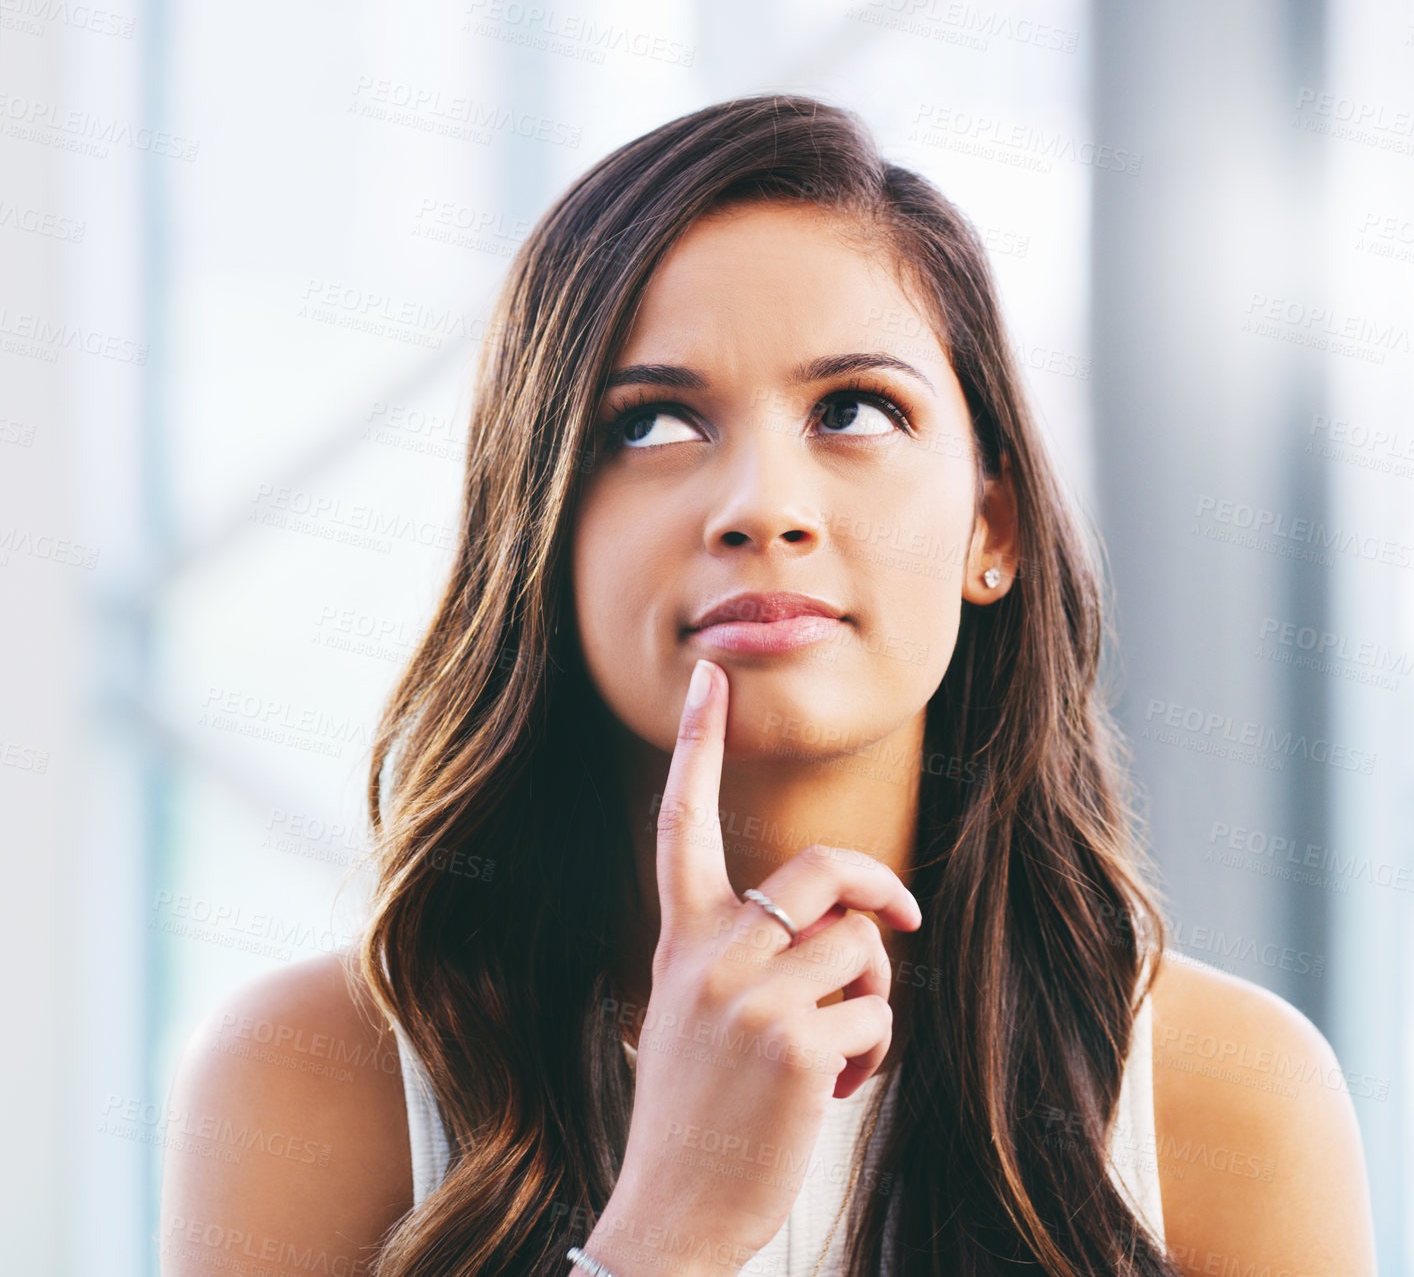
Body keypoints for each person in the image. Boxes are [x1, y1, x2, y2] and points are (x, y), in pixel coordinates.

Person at [159, 94, 1377, 1277]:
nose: (762, 509)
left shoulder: (1228, 1093)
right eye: (649, 425)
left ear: (989, 529)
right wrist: (664, 1234)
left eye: (853, 409)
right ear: (539, 528)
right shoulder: (308, 1080)